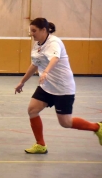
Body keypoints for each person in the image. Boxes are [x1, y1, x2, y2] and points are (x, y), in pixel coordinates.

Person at [15, 17, 102, 154]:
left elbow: (55, 58)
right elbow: (34, 64)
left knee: (65, 123)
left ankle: (97, 127)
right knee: (32, 110)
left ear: (44, 30)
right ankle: (40, 145)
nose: (31, 33)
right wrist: (22, 82)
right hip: (47, 86)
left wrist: (46, 72)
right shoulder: (38, 44)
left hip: (63, 88)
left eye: (34, 30)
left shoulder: (54, 42)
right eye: (30, 31)